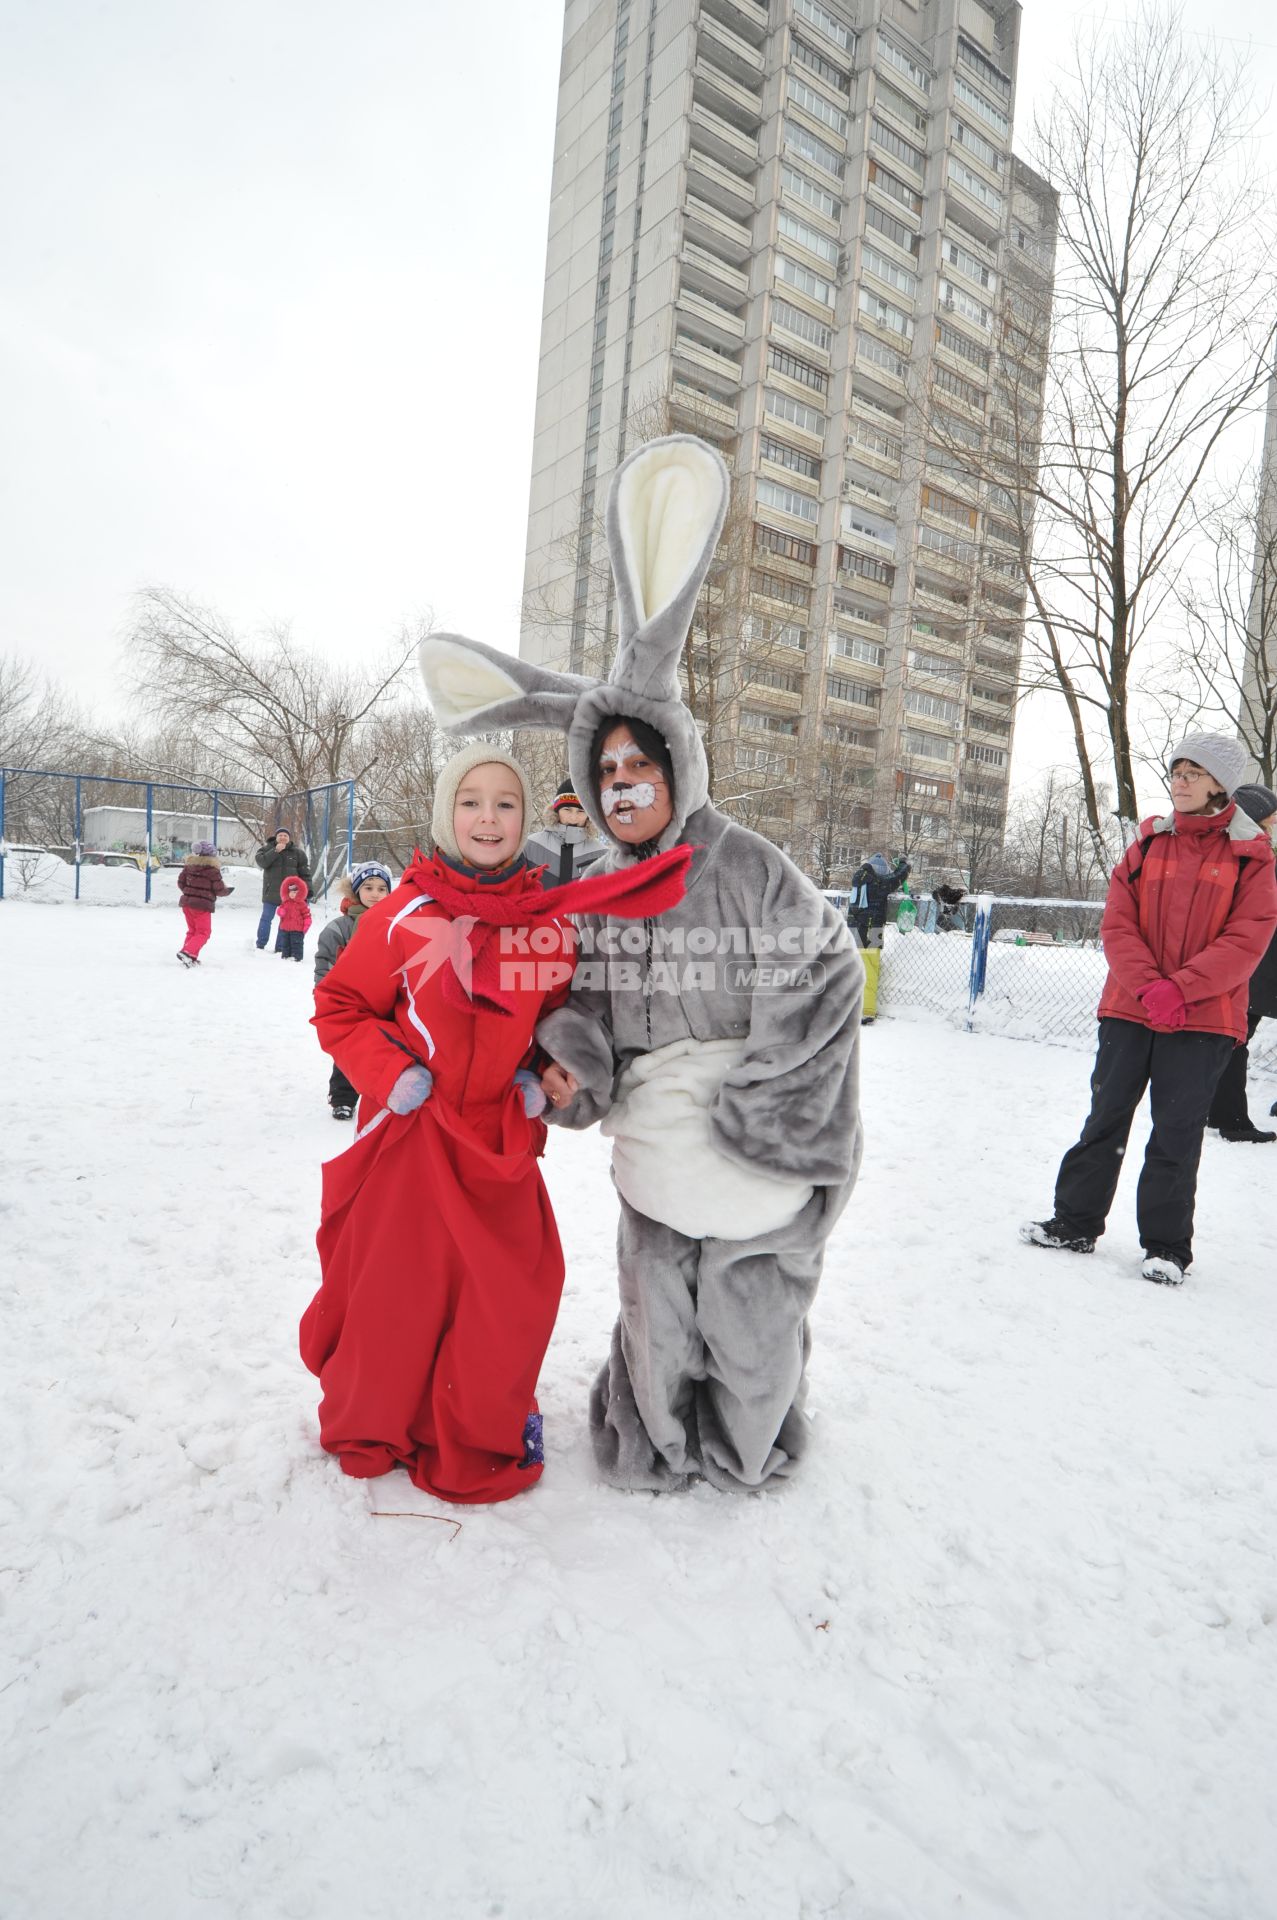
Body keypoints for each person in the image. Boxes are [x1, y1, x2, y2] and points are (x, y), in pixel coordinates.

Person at [418, 433, 864, 1494]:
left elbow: (825, 974)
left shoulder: (746, 866)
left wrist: (762, 1109)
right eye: (602, 767)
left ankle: (745, 1445)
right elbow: (586, 1004)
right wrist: (574, 1066)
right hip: (656, 1160)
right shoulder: (600, 894)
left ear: (675, 764)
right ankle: (654, 1439)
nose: (622, 782)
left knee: (748, 1332)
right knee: (657, 1320)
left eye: (638, 762)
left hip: (748, 1153)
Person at [300, 742, 691, 1504]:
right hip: (409, 1138)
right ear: (448, 813)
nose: (488, 816)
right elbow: (338, 1006)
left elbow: (555, 1018)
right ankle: (377, 1422)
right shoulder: (404, 913)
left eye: (504, 802)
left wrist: (542, 1074)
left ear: (526, 819)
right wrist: (390, 1072)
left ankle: (474, 1426)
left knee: (513, 1290)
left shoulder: (548, 922)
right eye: (471, 800)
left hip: (498, 1139)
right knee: (398, 1295)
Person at [1021, 732, 1277, 1286]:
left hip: (1204, 1018)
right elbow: (1117, 924)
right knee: (1104, 1118)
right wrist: (1149, 989)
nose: (1179, 781)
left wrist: (1181, 990)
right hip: (1130, 1010)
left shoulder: (1251, 856)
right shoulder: (1146, 847)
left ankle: (1165, 1247)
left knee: (1176, 1132)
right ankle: (1075, 1222)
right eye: (1176, 770)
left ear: (1219, 784)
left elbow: (1246, 940)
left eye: (1192, 772)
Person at [1206, 782, 1277, 1143]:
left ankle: (1218, 1111)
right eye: (1270, 816)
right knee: (1234, 1041)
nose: (1274, 822)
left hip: (1251, 967)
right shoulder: (1251, 852)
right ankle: (1231, 1119)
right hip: (1256, 967)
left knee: (1231, 1040)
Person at [313, 861, 393, 1119]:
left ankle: (384, 1093)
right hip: (351, 1000)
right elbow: (326, 963)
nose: (375, 894)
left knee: (386, 1048)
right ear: (355, 891)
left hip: (386, 999)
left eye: (382, 888)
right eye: (368, 887)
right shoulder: (340, 928)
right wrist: (324, 994)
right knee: (351, 1051)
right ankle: (342, 1097)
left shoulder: (396, 924)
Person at [525, 778, 602, 885]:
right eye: (567, 809)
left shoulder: (601, 854)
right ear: (556, 811)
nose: (573, 818)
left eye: (580, 811)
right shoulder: (530, 846)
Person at [175, 839, 233, 967]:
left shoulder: (189, 866)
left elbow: (180, 882)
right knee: (203, 932)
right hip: (201, 906)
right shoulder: (212, 870)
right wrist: (227, 891)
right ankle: (187, 952)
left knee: (192, 931)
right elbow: (218, 889)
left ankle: (191, 957)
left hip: (187, 904)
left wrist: (190, 892)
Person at [254, 827, 312, 950]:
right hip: (271, 892)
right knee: (266, 918)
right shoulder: (266, 849)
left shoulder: (298, 853)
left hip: (290, 894)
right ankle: (260, 944)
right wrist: (275, 851)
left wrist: (308, 890)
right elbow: (262, 862)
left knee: (285, 921)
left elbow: (305, 873)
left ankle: (280, 947)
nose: (283, 837)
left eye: (285, 835)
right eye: (280, 835)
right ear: (276, 837)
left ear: (289, 838)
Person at [276, 875, 311, 962]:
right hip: (285, 928)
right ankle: (285, 956)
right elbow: (279, 911)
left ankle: (296, 958)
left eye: (295, 893)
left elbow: (306, 915)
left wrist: (306, 925)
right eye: (291, 892)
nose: (292, 894)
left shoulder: (302, 904)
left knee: (297, 944)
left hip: (297, 929)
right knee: (285, 944)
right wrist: (281, 912)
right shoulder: (285, 902)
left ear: (299, 893)